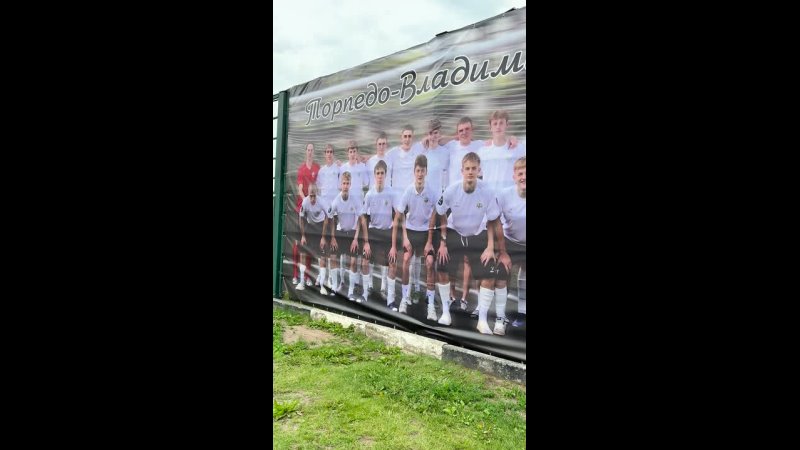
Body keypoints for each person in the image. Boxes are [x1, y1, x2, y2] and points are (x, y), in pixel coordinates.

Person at [434, 152, 502, 334]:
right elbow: (440, 212)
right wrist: (443, 241)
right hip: (454, 232)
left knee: (490, 272)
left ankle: (482, 321)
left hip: (476, 233)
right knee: (441, 267)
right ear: (462, 171)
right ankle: (446, 312)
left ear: (479, 170)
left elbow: (492, 220)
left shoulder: (487, 191)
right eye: (467, 169)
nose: (470, 172)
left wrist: (490, 247)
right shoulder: (451, 190)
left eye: (474, 168)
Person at [394, 154, 439, 319]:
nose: (420, 174)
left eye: (422, 171)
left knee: (430, 262)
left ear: (426, 172)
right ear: (414, 172)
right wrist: (405, 238)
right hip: (411, 231)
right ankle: (404, 299)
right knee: (406, 260)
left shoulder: (432, 192)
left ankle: (431, 306)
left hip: (427, 232)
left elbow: (435, 213)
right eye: (418, 171)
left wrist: (430, 240)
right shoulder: (408, 191)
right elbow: (400, 214)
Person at [359, 160, 398, 309]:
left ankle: (391, 300)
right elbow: (363, 218)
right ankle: (364, 294)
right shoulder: (369, 194)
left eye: (382, 173)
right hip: (373, 232)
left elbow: (398, 215)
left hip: (387, 233)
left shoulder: (391, 193)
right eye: (377, 173)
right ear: (374, 175)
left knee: (392, 263)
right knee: (365, 261)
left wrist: (394, 245)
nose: (380, 176)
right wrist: (366, 242)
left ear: (385, 175)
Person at [495, 157, 527, 329]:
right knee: (502, 271)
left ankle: (522, 313)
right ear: (514, 177)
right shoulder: (504, 195)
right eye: (520, 173)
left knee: (525, 276)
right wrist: (502, 251)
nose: (524, 177)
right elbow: (495, 221)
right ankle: (500, 316)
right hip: (509, 241)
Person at [328, 171, 364, 300]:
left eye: (347, 183)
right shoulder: (336, 201)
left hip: (352, 234)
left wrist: (355, 239)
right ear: (340, 184)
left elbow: (361, 219)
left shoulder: (355, 199)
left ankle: (350, 292)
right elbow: (331, 219)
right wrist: (333, 237)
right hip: (340, 233)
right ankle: (334, 288)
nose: (345, 186)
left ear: (350, 184)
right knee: (333, 258)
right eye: (343, 183)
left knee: (353, 262)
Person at [366, 132, 394, 295]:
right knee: (369, 254)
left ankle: (383, 285)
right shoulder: (370, 162)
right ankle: (369, 283)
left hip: (386, 224)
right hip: (373, 223)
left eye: (384, 144)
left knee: (385, 256)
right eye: (379, 144)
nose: (380, 176)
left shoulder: (391, 159)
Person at [292, 143, 319, 287]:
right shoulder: (301, 169)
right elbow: (300, 190)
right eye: (308, 150)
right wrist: (307, 202)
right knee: (298, 244)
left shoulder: (317, 168)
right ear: (305, 152)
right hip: (301, 210)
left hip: (312, 212)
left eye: (312, 150)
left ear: (314, 152)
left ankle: (307, 276)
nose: (310, 152)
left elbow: (318, 187)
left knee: (309, 244)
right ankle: (295, 274)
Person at [316, 143, 341, 291]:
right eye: (327, 152)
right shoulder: (321, 171)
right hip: (324, 214)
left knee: (333, 248)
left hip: (335, 214)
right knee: (322, 247)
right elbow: (319, 190)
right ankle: (321, 277)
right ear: (324, 154)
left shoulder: (338, 169)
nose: (329, 154)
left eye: (331, 151)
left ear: (333, 153)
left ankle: (332, 279)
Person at [296, 184, 329, 294]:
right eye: (311, 196)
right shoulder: (305, 202)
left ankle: (322, 286)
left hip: (320, 227)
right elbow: (301, 218)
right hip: (309, 227)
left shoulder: (322, 202)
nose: (313, 199)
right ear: (308, 194)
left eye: (314, 196)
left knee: (322, 257)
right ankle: (301, 282)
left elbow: (327, 217)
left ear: (317, 194)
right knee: (303, 254)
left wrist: (323, 237)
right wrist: (303, 235)